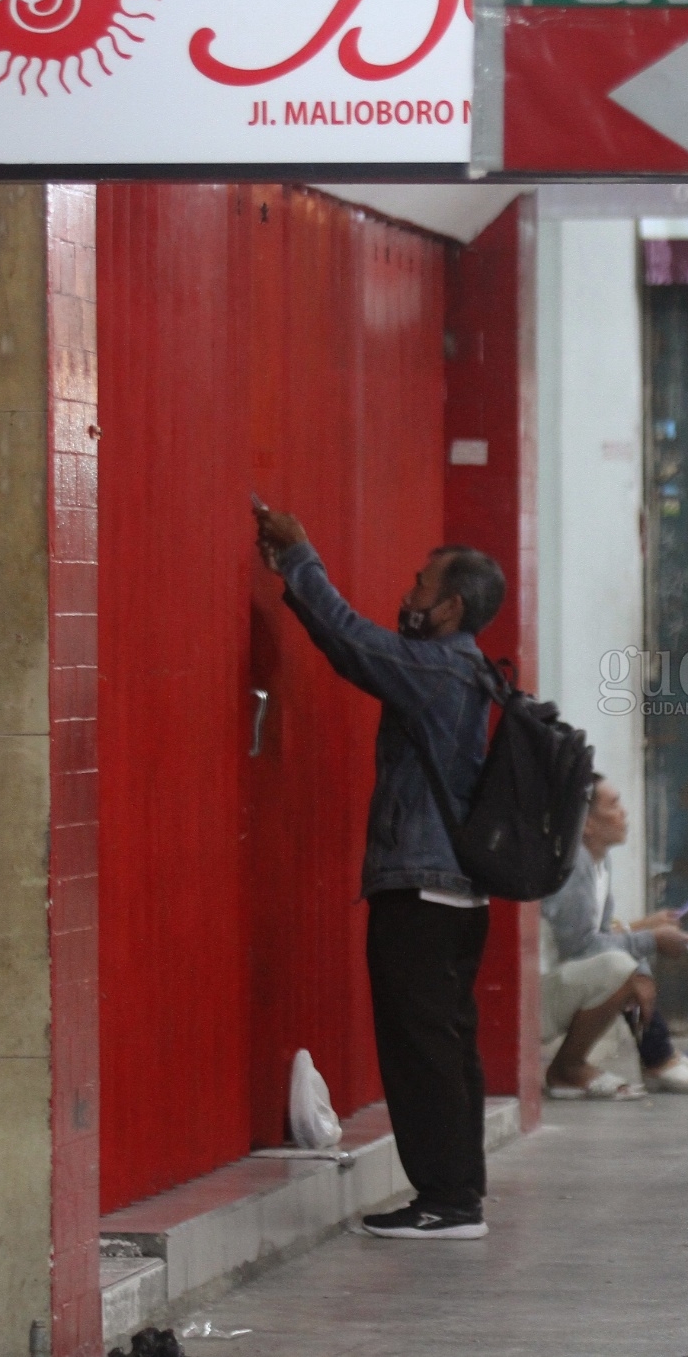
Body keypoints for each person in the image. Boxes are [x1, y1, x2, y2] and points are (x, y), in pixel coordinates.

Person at [255, 502, 504, 1241]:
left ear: (452, 605)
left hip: (423, 891)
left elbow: (352, 643)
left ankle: (446, 1200)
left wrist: (302, 559)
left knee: (420, 1047)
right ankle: (457, 1192)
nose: (410, 594)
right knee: (447, 1045)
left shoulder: (442, 669)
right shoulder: (471, 672)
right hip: (458, 893)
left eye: (422, 585)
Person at [538, 778, 688, 1097]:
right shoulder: (574, 866)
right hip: (538, 1001)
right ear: (586, 824)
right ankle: (570, 1068)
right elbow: (582, 948)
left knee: (626, 958)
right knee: (622, 965)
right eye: (614, 805)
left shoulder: (601, 862)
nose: (624, 814)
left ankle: (658, 1055)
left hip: (565, 986)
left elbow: (602, 937)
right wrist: (652, 940)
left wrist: (645, 928)